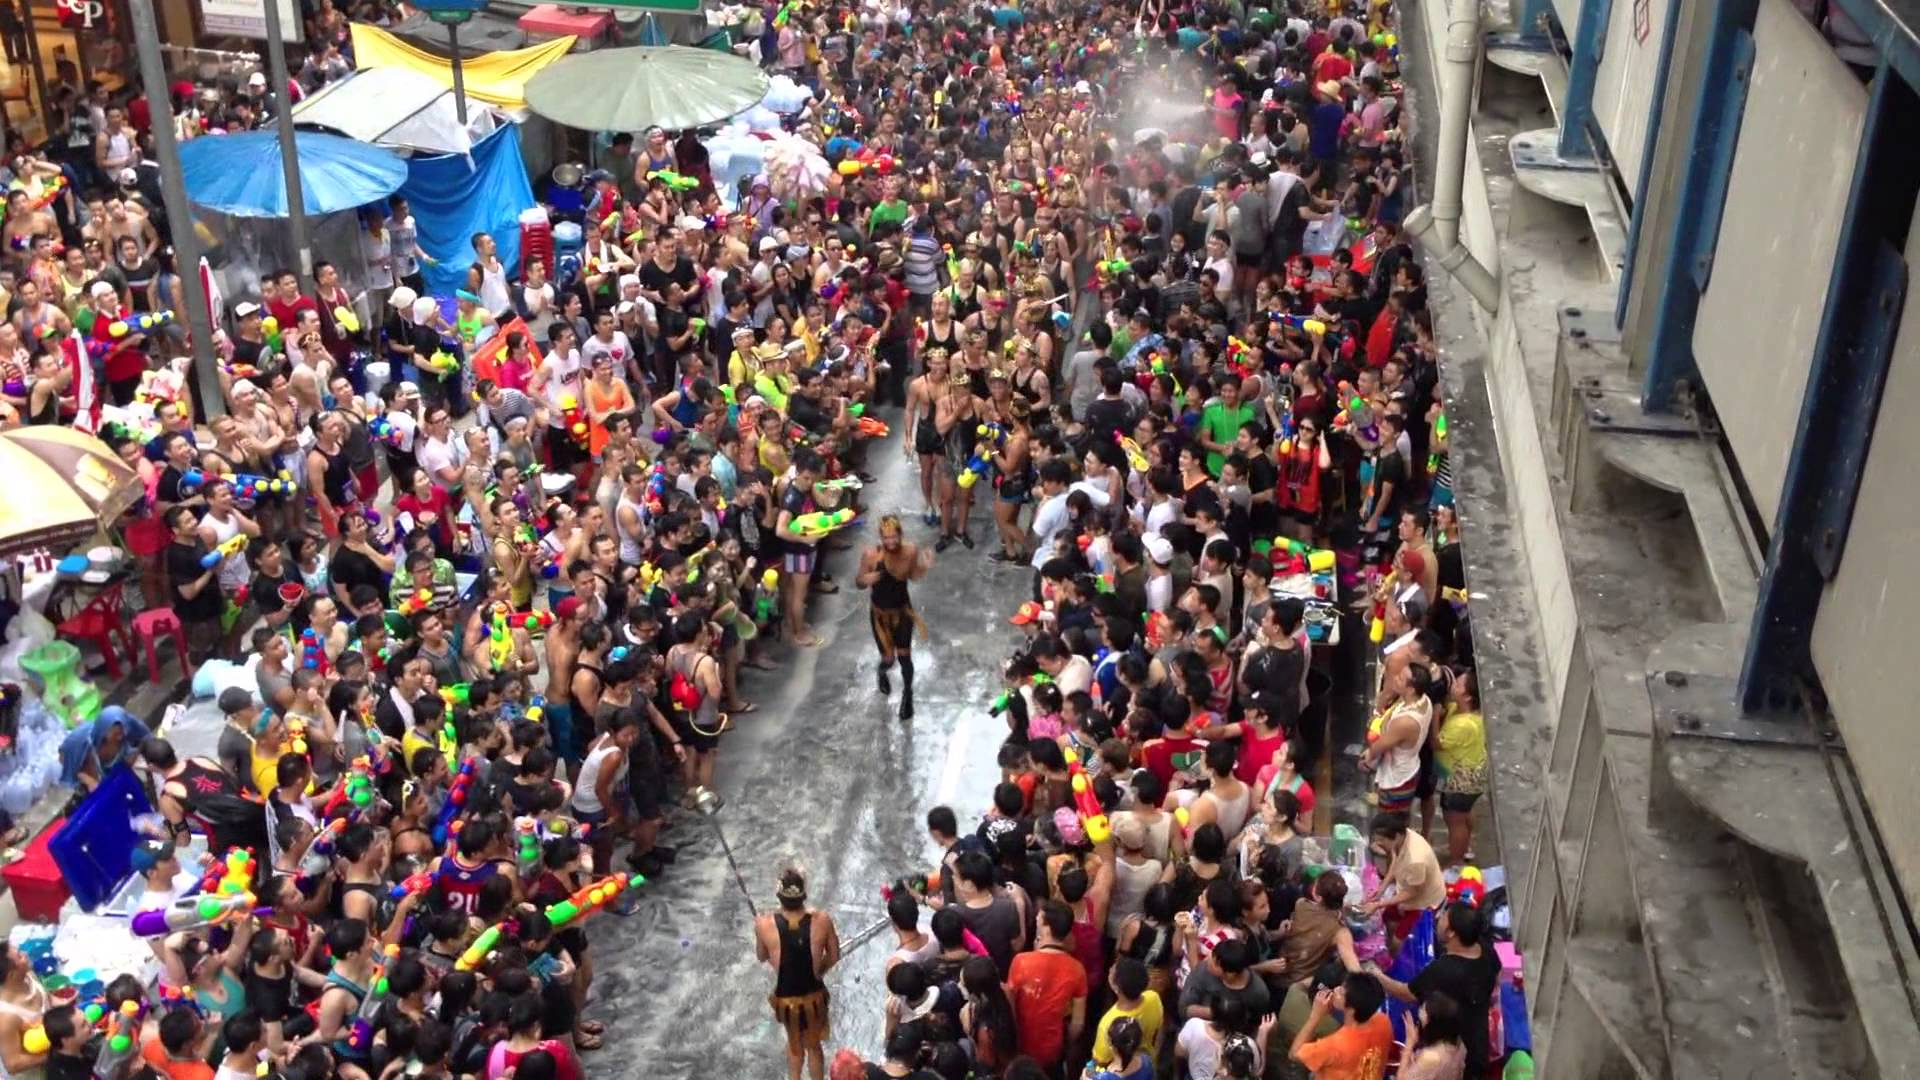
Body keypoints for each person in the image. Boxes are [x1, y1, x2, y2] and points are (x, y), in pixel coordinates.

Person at [1376, 902, 1500, 1077]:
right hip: (1477, 1040)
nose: (1439, 919)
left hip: (1457, 1045)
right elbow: (1496, 977)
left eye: (1443, 918)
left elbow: (1407, 993)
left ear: (1451, 933)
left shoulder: (1444, 970)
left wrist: (1376, 975)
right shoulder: (1485, 949)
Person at [756, 868, 840, 1080]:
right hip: (814, 994)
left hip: (786, 997)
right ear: (803, 895)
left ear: (779, 896)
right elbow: (834, 955)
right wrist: (819, 970)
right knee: (813, 1045)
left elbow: (761, 956)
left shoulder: (764, 924)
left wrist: (760, 931)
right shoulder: (823, 920)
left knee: (794, 1045)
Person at [856, 514, 934, 720]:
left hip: (902, 612)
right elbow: (858, 581)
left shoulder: (910, 551)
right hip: (880, 615)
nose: (891, 541)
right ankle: (881, 672)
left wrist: (925, 565)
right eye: (886, 537)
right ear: (881, 538)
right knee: (888, 660)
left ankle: (908, 695)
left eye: (894, 536)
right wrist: (865, 579)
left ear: (901, 534)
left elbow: (914, 576)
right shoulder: (871, 555)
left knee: (905, 658)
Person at [1288, 972, 1393, 1080]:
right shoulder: (1384, 1021)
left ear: (1351, 1010)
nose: (1336, 989)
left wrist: (1315, 1016)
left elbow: (1294, 1054)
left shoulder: (1334, 1045)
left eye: (1341, 992)